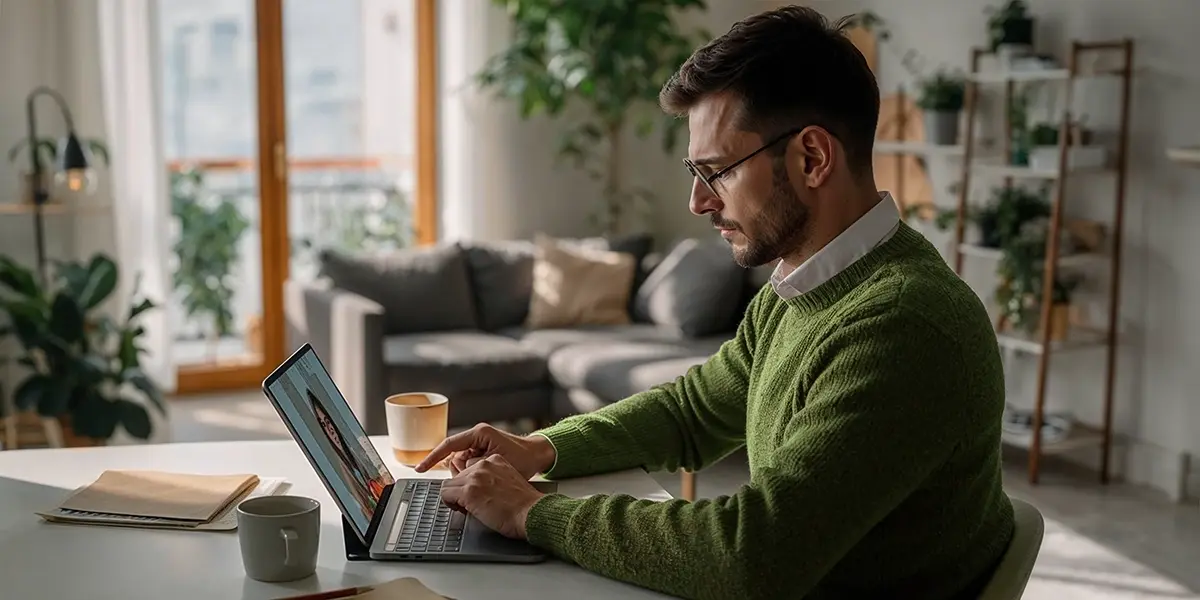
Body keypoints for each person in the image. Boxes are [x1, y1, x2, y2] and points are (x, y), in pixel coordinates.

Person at [416, 6, 1015, 599]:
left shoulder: (903, 326)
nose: (698, 202)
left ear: (812, 158)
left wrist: (530, 514)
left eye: (717, 171)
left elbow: (752, 555)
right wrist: (544, 447)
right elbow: (692, 413)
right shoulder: (799, 288)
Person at [307, 388, 388, 520]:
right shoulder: (341, 468)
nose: (329, 428)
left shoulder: (356, 452)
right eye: (323, 425)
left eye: (328, 422)